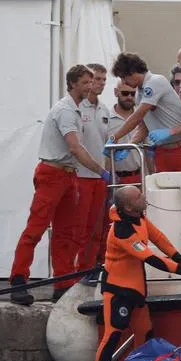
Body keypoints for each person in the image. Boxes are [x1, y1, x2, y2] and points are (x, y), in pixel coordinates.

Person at [9, 65, 110, 306]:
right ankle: (18, 279)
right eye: (86, 82)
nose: (90, 87)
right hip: (53, 173)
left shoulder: (75, 110)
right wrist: (101, 170)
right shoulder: (65, 111)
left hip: (68, 173)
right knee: (37, 227)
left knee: (66, 232)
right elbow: (75, 146)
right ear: (73, 83)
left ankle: (62, 282)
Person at [93, 186, 181, 361]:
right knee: (112, 334)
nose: (143, 197)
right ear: (128, 207)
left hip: (136, 289)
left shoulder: (139, 218)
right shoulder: (122, 231)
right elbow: (151, 258)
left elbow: (159, 239)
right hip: (118, 290)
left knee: (144, 330)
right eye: (138, 196)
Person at [109, 53, 181, 173]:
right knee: (164, 191)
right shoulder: (139, 93)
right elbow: (143, 125)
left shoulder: (155, 82)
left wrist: (115, 136)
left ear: (132, 73)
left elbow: (137, 116)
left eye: (123, 77)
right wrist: (129, 145)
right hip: (163, 152)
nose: (123, 82)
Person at [74, 63, 119, 272]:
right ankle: (79, 270)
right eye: (96, 79)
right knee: (81, 227)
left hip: (100, 177)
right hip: (81, 175)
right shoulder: (76, 107)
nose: (100, 83)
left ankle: (94, 268)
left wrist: (108, 172)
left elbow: (105, 145)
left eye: (103, 80)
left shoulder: (104, 110)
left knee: (99, 227)